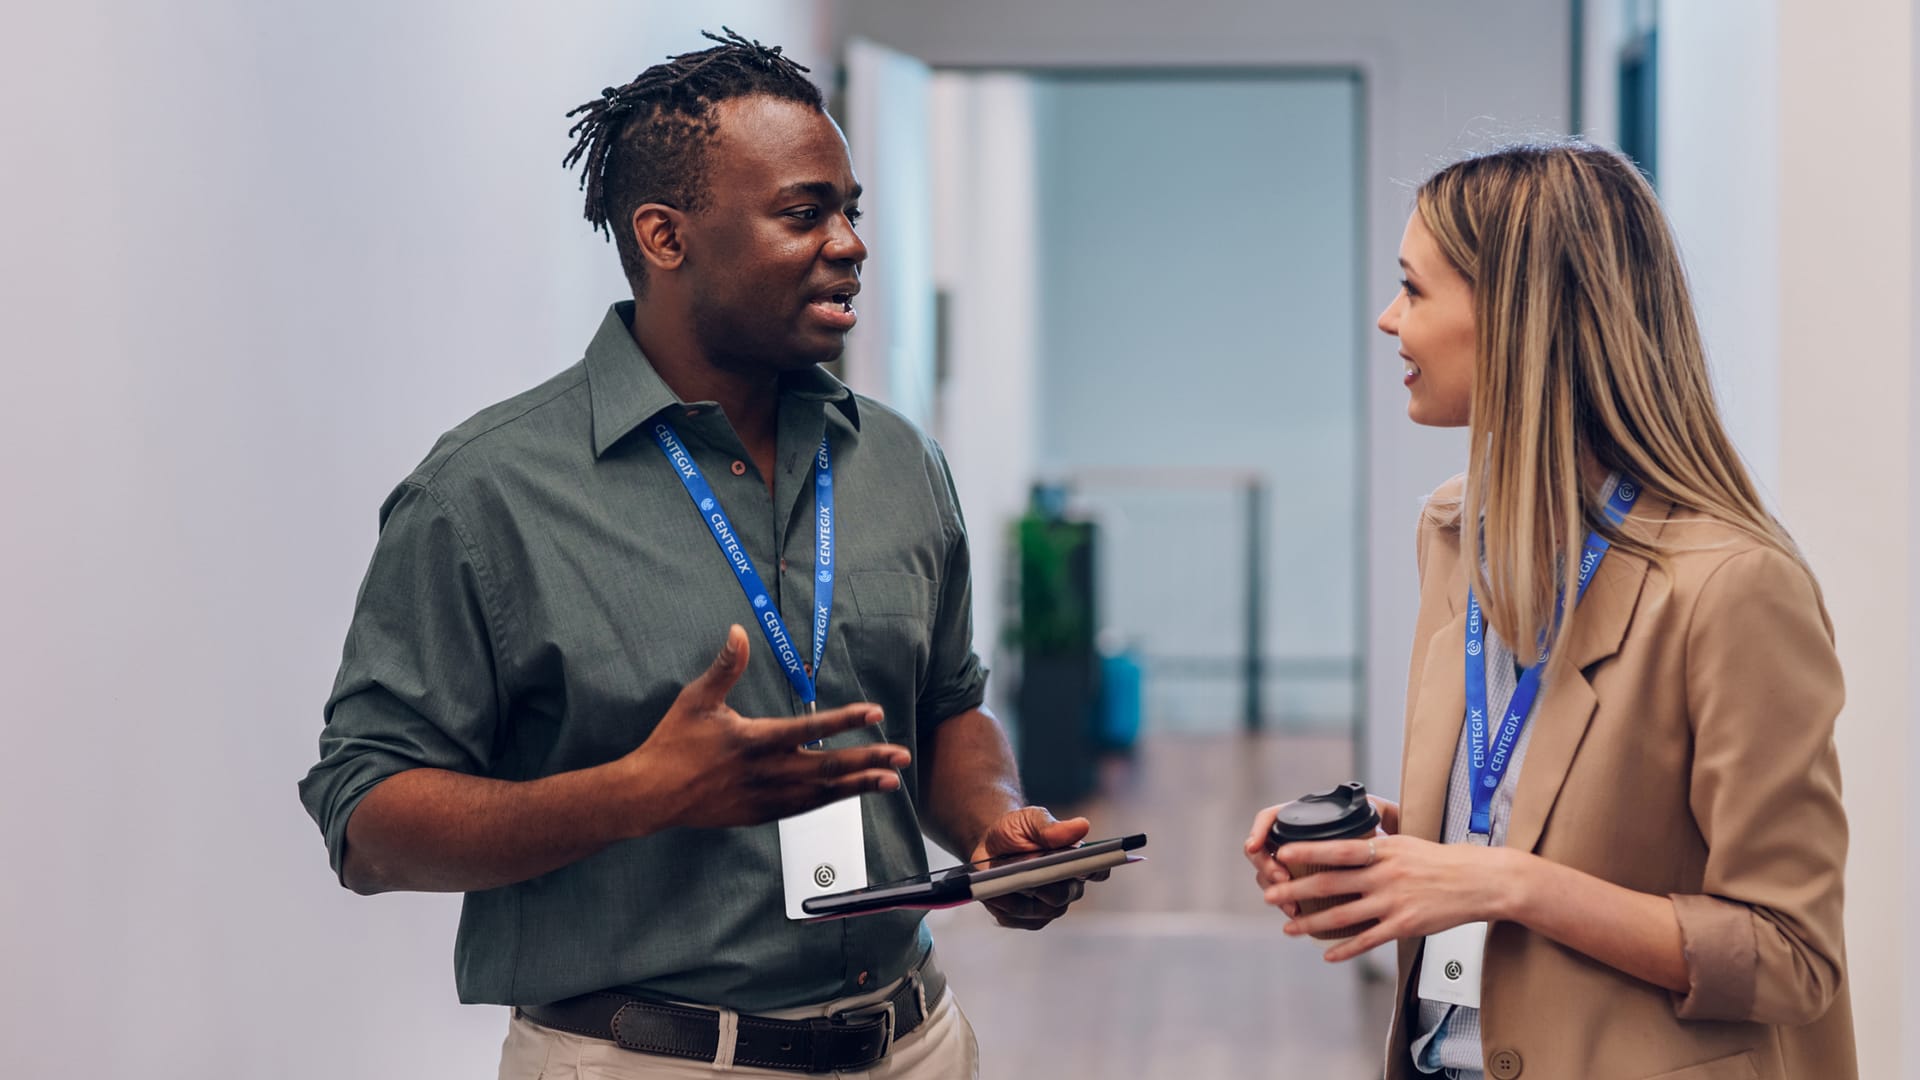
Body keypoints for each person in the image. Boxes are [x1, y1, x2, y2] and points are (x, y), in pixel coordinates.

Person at [300, 29, 1096, 1080]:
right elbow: (367, 823)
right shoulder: (485, 493)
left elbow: (949, 708)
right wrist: (638, 791)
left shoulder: (899, 462)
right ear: (665, 237)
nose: (852, 242)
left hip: (915, 1043)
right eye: (805, 213)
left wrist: (996, 833)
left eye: (853, 210)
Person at [1244, 142, 1854, 1079]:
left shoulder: (1734, 585)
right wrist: (1388, 854)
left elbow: (1792, 956)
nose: (1387, 317)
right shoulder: (1453, 534)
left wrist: (1508, 885)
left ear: (1521, 320)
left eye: (1414, 289)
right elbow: (1516, 813)